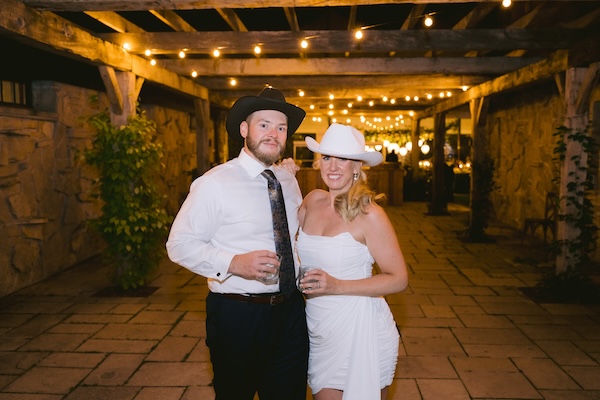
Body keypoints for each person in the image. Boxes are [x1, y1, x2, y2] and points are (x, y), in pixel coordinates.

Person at [166, 86, 308, 400]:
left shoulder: (287, 179)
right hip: (238, 316)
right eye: (264, 125)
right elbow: (179, 244)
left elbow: (294, 235)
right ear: (244, 129)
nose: (274, 134)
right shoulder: (213, 184)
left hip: (292, 314)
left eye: (281, 127)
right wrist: (234, 263)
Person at [295, 123, 409, 400]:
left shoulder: (370, 214)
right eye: (327, 157)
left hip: (361, 327)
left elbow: (398, 278)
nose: (333, 166)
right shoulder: (311, 200)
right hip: (319, 325)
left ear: (357, 166)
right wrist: (284, 176)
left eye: (343, 158)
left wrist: (335, 286)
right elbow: (286, 238)